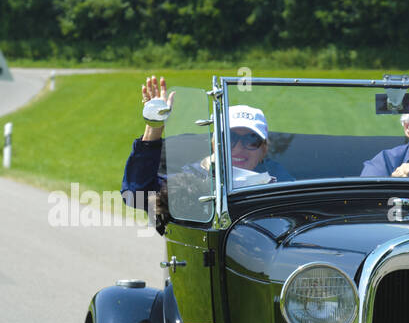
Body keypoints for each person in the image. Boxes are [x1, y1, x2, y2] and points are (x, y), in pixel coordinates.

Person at [121, 75, 293, 219]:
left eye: (252, 139)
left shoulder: (277, 180)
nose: (239, 147)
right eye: (230, 137)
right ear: (214, 142)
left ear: (263, 149)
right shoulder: (193, 177)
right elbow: (136, 195)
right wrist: (154, 127)